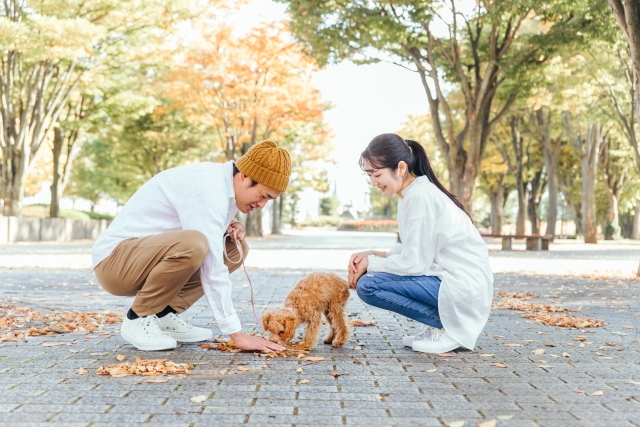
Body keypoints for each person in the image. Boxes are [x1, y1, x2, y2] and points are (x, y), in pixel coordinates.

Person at [92, 140, 289, 353]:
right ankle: (137, 318)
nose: (262, 205)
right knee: (195, 245)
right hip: (114, 262)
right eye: (263, 196)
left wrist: (229, 225)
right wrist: (237, 335)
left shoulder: (224, 188)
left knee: (233, 249)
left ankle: (163, 314)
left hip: (139, 257)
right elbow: (212, 265)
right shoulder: (207, 187)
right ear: (244, 176)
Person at [348, 134, 493, 354]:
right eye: (370, 175)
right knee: (370, 280)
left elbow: (415, 264)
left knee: (369, 285)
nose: (373, 182)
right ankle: (444, 325)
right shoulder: (409, 194)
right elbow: (412, 252)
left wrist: (371, 264)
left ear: (401, 168)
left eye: (377, 174)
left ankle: (450, 328)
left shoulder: (420, 196)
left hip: (462, 286)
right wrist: (371, 254)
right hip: (452, 281)